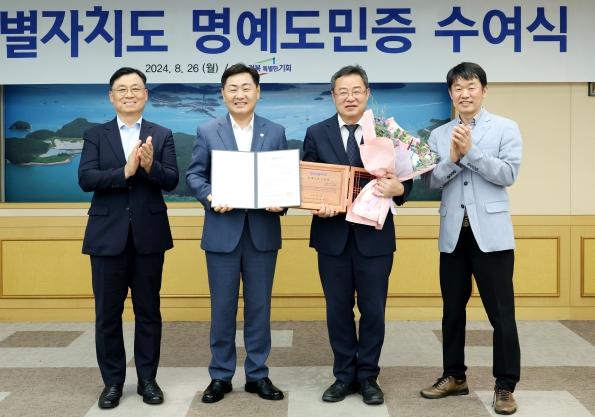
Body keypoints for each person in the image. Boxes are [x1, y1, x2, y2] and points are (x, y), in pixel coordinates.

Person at [302, 65, 412, 405]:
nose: (350, 98)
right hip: (331, 237)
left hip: (374, 238)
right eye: (342, 92)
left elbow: (407, 179)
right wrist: (315, 205)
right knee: (338, 311)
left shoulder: (387, 132)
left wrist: (399, 189)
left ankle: (368, 377)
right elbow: (308, 180)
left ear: (367, 94)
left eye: (356, 91)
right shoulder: (316, 133)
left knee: (373, 311)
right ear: (333, 96)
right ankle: (343, 376)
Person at [420, 62, 522, 415]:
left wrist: (472, 153)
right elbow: (430, 182)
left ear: (484, 90)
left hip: (491, 236)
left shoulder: (505, 128)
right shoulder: (438, 135)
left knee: (501, 314)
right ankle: (454, 376)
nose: (464, 93)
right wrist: (451, 158)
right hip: (453, 235)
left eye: (471, 86)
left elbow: (508, 174)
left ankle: (505, 385)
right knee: (452, 311)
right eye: (457, 88)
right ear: (450, 94)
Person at [78, 67, 179, 409]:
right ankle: (112, 383)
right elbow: (86, 179)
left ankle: (148, 380)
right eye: (122, 89)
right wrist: (124, 172)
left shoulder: (161, 134)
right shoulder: (95, 134)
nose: (129, 94)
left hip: (149, 236)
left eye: (136, 88)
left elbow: (172, 180)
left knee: (148, 311)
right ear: (111, 97)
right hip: (107, 237)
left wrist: (150, 167)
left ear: (146, 95)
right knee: (107, 314)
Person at [186, 63, 286, 404]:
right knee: (222, 308)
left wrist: (282, 201)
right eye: (233, 88)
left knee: (259, 307)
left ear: (258, 92)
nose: (239, 94)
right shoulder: (207, 130)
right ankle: (220, 375)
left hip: (262, 233)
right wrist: (211, 196)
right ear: (223, 94)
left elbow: (285, 178)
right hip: (222, 232)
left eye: (246, 88)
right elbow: (195, 175)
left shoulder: (275, 131)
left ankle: (258, 374)